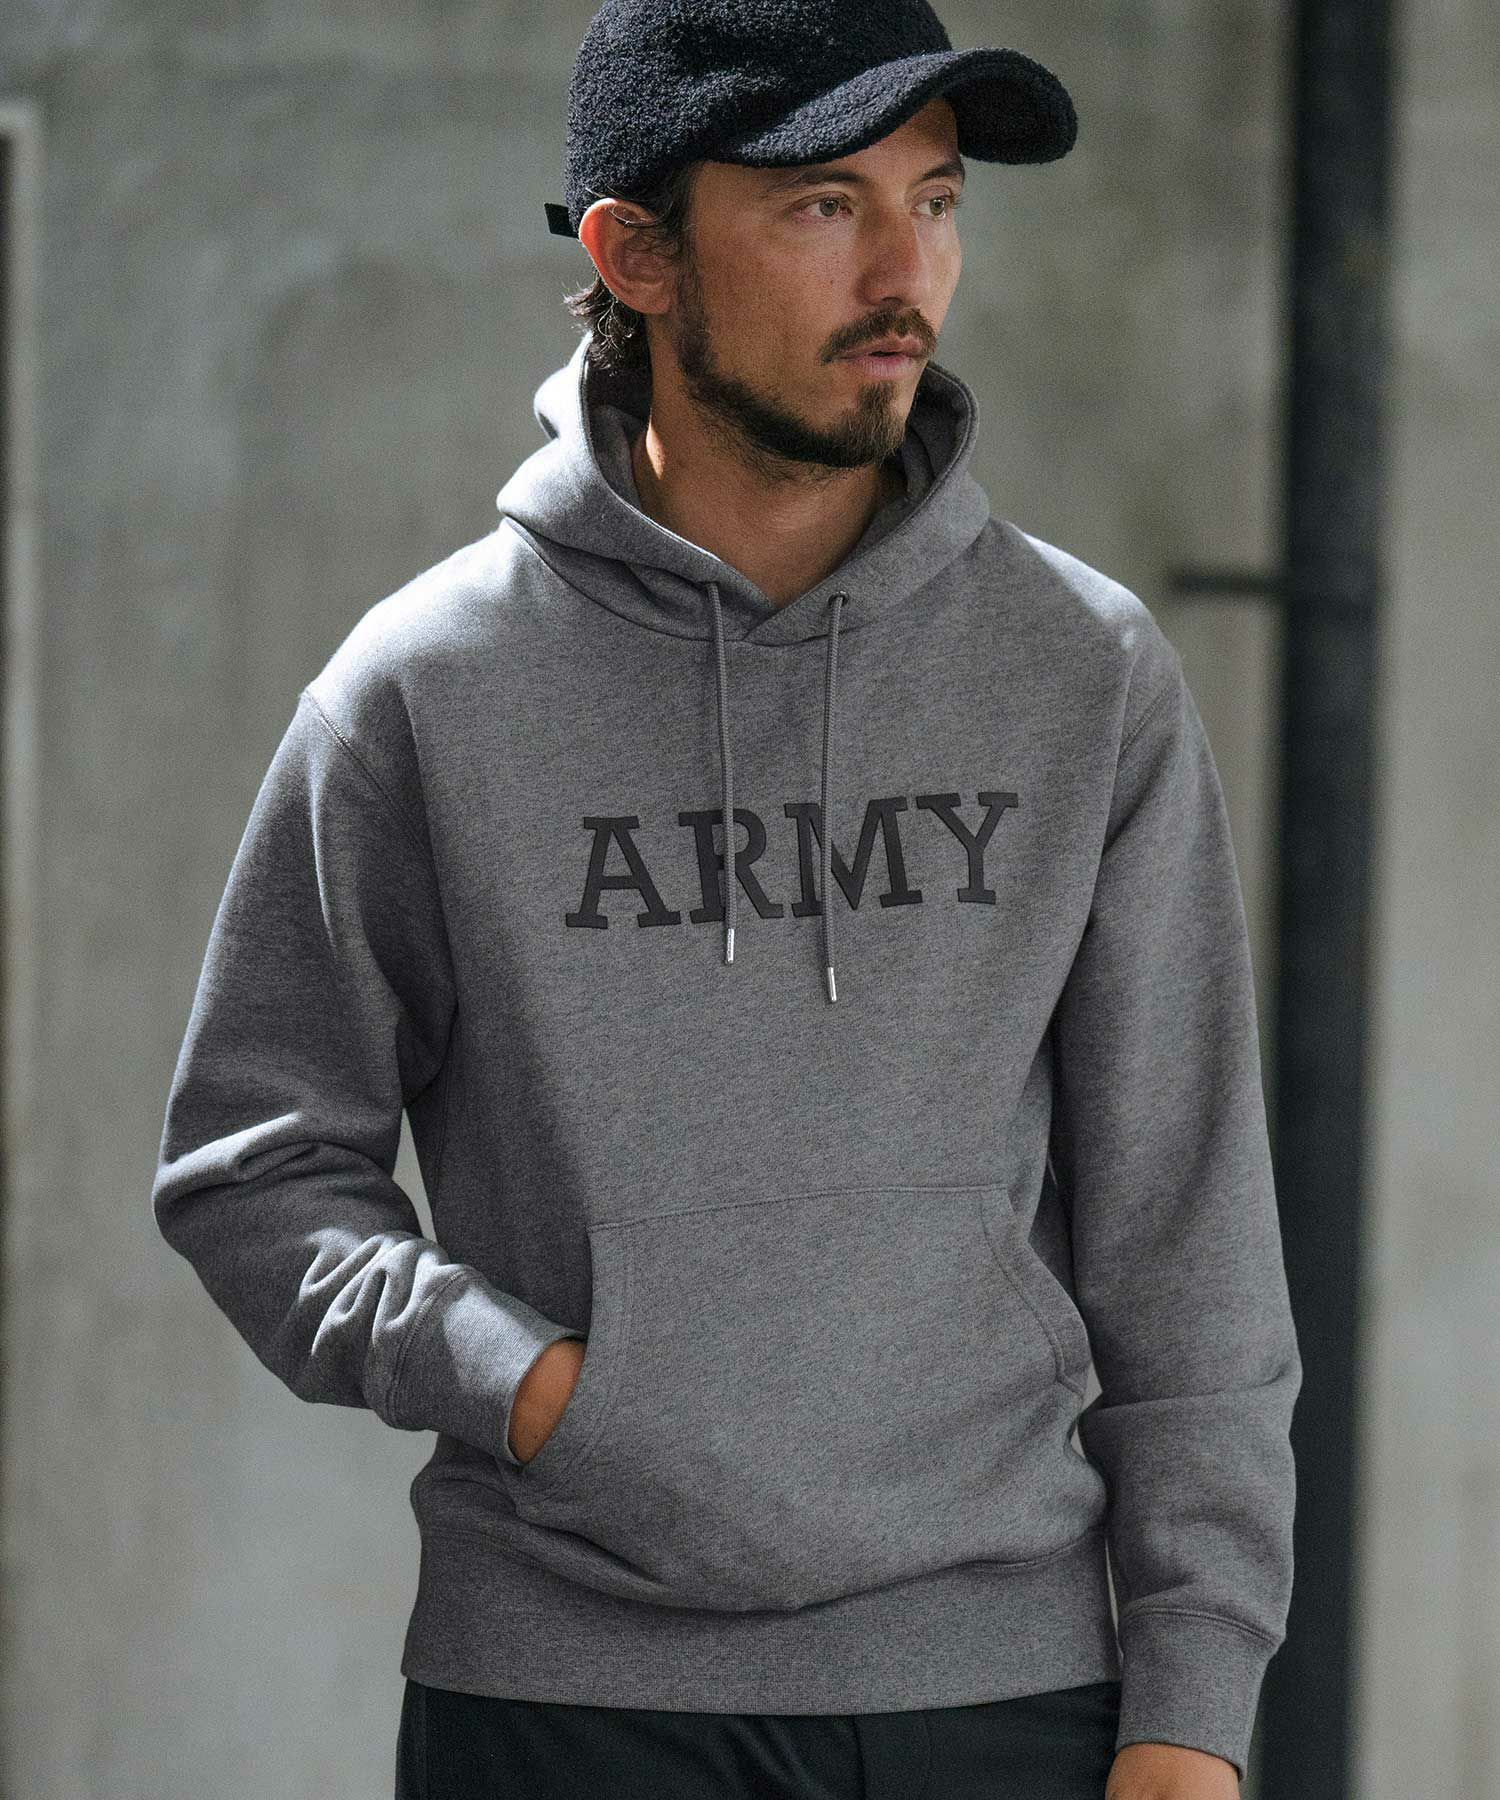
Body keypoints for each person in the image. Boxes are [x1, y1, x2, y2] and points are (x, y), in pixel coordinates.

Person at [151, 2, 1301, 1795]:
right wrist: (530, 1386)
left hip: (999, 1688)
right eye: (827, 206)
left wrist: (1194, 1708)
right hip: (563, 1685)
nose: (906, 273)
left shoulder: (1081, 675)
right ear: (638, 255)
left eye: (936, 200)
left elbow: (1188, 1229)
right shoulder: (427, 691)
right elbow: (254, 1165)